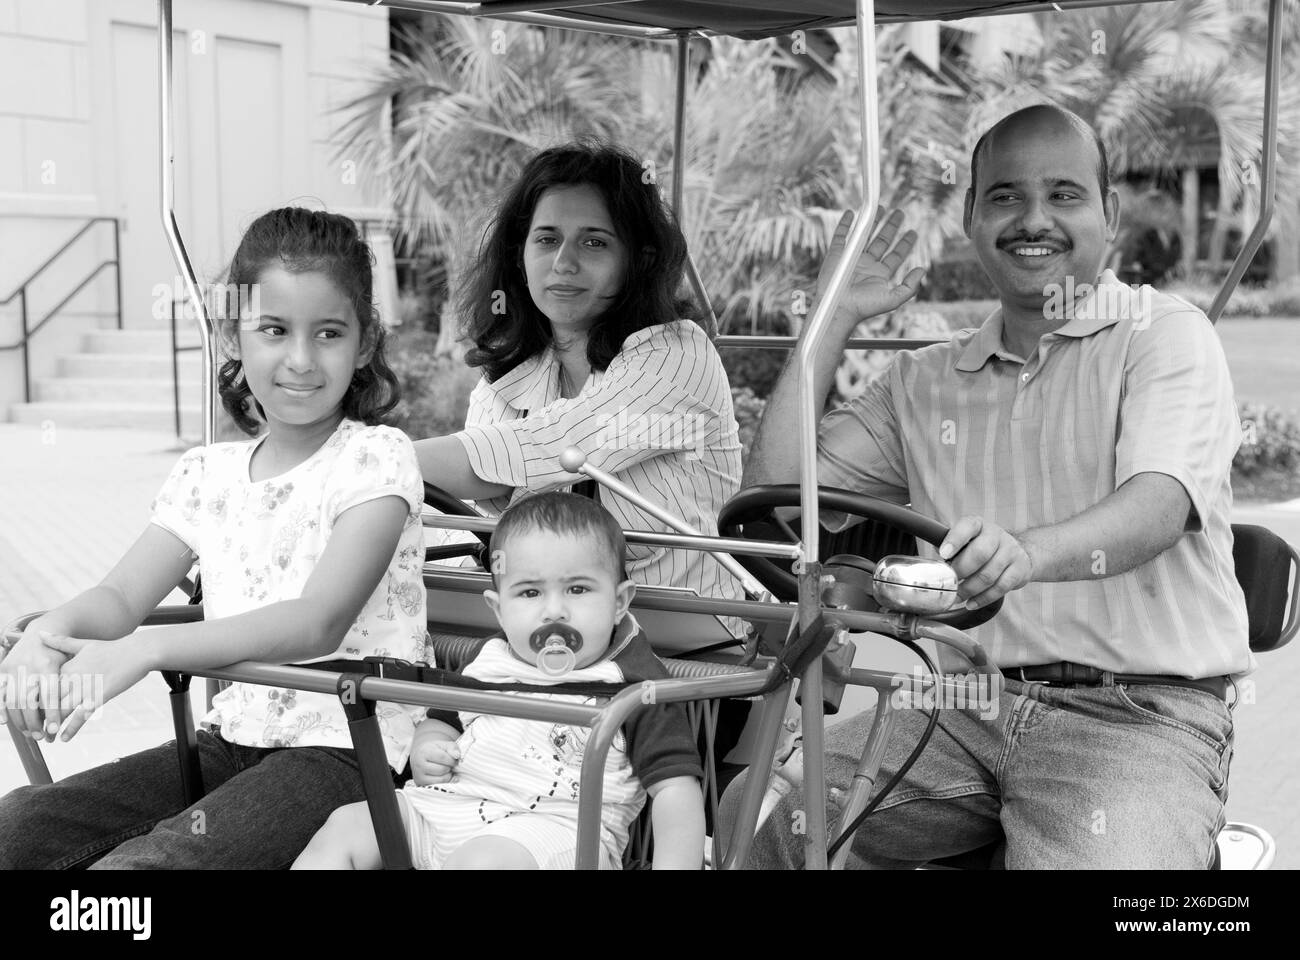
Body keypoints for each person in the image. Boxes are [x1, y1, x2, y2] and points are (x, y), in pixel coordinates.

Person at [721, 105, 1250, 869]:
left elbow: (1160, 506)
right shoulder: (922, 383)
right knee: (760, 816)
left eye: (1064, 194)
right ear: (971, 214)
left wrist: (1024, 554)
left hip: (1140, 715)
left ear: (1111, 213)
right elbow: (774, 490)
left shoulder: (1162, 335)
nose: (1032, 219)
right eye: (1004, 196)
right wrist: (833, 306)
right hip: (963, 705)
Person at [0, 208, 428, 869]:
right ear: (234, 333)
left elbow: (317, 621)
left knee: (151, 867)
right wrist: (45, 635)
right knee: (18, 827)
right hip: (230, 742)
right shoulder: (209, 474)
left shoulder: (376, 460)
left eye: (329, 333)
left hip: (347, 750)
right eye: (274, 330)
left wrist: (148, 650)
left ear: (366, 342)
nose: (301, 360)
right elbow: (119, 596)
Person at [411, 142, 745, 624]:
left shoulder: (679, 355)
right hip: (553, 649)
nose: (564, 263)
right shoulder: (508, 378)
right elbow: (477, 525)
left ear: (638, 260)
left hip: (697, 658)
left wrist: (366, 457)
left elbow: (552, 446)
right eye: (547, 239)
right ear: (520, 255)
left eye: (594, 242)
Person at [294, 492, 705, 870]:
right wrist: (427, 749)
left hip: (557, 834)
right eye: (529, 594)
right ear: (498, 609)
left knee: (483, 861)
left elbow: (674, 791)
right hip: (450, 808)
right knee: (348, 825)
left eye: (578, 589)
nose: (554, 611)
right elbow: (441, 720)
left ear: (618, 602)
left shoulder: (636, 685)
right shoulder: (489, 660)